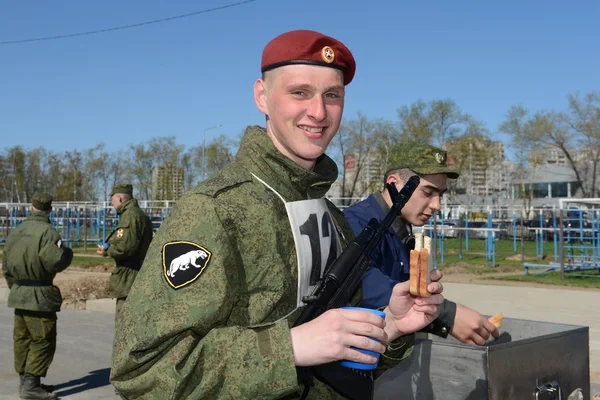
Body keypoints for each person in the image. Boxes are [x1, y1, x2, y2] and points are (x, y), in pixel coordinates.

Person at [110, 29, 444, 399]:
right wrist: (291, 347)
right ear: (262, 96)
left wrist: (392, 326)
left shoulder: (331, 216)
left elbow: (341, 366)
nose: (318, 112)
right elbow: (143, 371)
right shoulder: (215, 210)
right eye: (299, 92)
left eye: (332, 96)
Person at [344, 141, 500, 346]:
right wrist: (446, 314)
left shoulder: (401, 229)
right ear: (394, 184)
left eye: (440, 195)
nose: (436, 205)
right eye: (428, 192)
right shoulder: (355, 223)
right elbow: (363, 283)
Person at [2, 192, 73, 399]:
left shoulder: (17, 232)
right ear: (50, 210)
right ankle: (31, 387)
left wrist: (17, 288)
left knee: (22, 339)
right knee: (43, 340)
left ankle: (27, 383)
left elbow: (6, 265)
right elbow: (54, 261)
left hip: (20, 293)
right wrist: (67, 253)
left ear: (31, 208)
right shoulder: (48, 232)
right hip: (39, 295)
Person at [97, 183, 153, 321]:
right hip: (138, 273)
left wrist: (107, 250)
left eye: (113, 199)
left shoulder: (129, 216)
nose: (112, 203)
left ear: (120, 199)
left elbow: (125, 247)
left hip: (129, 276)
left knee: (124, 321)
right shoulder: (139, 214)